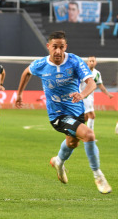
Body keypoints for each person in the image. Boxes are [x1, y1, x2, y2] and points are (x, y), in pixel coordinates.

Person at [15, 31, 112, 194]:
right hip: (58, 116)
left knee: (73, 142)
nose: (58, 51)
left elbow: (91, 83)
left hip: (76, 111)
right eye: (54, 47)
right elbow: (26, 73)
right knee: (88, 135)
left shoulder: (74, 61)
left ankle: (58, 162)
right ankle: (98, 175)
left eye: (61, 47)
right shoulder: (41, 64)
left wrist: (82, 94)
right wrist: (19, 94)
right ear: (48, 47)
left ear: (65, 47)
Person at [79, 56, 114, 131]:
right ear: (87, 62)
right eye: (90, 61)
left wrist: (108, 94)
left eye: (93, 61)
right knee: (92, 115)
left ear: (96, 63)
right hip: (84, 96)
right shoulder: (82, 72)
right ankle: (90, 135)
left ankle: (77, 131)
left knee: (85, 117)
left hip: (90, 97)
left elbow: (100, 86)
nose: (91, 62)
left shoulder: (97, 73)